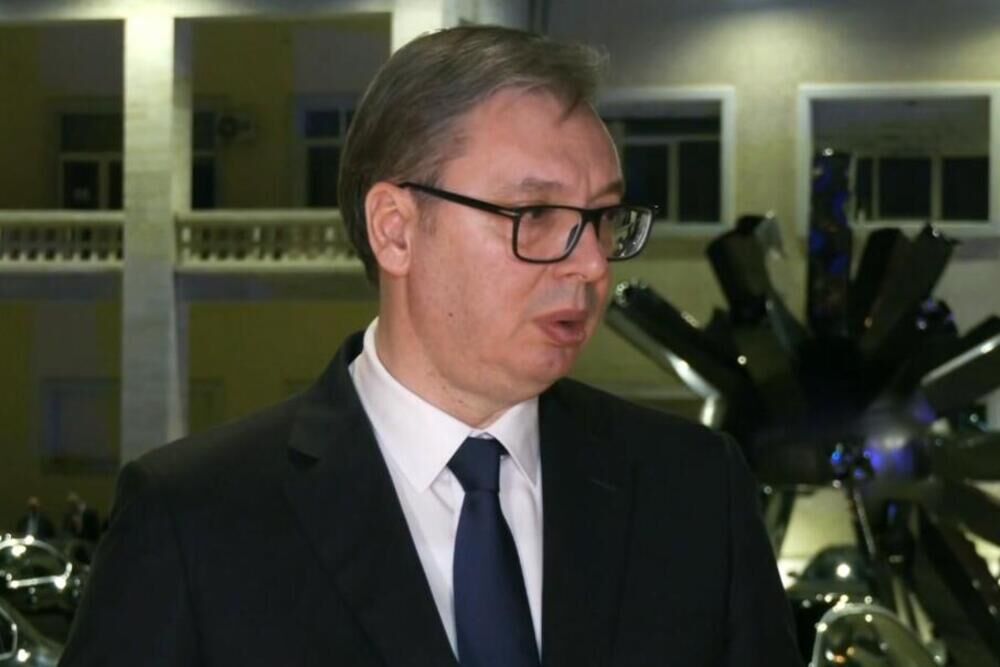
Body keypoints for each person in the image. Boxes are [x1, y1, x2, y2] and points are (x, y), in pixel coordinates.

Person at [61, 25, 801, 666]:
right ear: (395, 230)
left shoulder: (693, 492)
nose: (592, 264)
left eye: (604, 217)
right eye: (536, 214)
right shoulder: (195, 520)